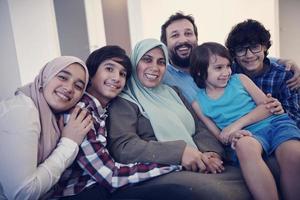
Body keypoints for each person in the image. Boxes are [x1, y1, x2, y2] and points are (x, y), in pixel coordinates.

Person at [107, 38, 254, 200]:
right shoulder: (125, 100)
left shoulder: (172, 92)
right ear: (135, 62)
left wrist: (211, 153)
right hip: (161, 167)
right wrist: (180, 153)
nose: (155, 67)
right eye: (147, 60)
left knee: (248, 179)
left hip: (200, 159)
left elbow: (198, 127)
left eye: (161, 62)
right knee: (217, 194)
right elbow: (124, 147)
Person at [49, 46, 190, 200]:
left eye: (122, 74)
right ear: (91, 73)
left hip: (98, 186)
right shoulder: (82, 113)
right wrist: (174, 165)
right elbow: (111, 176)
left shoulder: (105, 109)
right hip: (79, 192)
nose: (116, 78)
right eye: (109, 68)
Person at [190, 42, 300, 200]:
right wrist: (232, 135)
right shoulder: (198, 103)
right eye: (218, 68)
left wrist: (235, 125)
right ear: (200, 72)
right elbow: (221, 135)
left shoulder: (240, 79)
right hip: (246, 135)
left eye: (228, 66)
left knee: (294, 153)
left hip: (275, 124)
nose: (227, 72)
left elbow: (268, 107)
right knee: (244, 146)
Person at [0, 56, 93, 199]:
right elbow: (22, 195)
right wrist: (69, 143)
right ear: (45, 77)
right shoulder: (22, 112)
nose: (69, 88)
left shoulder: (56, 117)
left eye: (78, 86)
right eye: (62, 77)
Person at [161, 12, 300, 105]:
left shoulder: (220, 65)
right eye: (175, 35)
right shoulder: (164, 76)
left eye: (188, 33)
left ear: (196, 38)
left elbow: (251, 58)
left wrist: (286, 62)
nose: (183, 39)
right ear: (165, 43)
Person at [225, 19, 300, 128]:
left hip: (278, 133)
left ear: (265, 46)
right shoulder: (228, 73)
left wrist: (278, 110)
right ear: (234, 53)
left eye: (255, 47)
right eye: (241, 50)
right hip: (240, 135)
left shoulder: (284, 76)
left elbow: (296, 118)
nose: (249, 55)